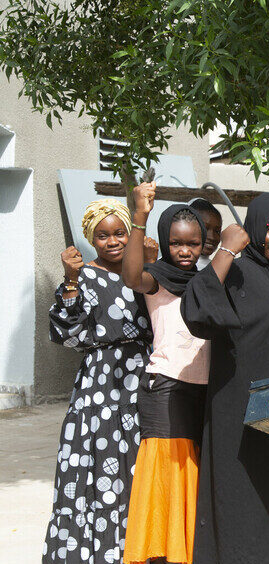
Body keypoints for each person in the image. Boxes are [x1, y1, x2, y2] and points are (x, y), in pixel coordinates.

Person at [181, 193, 269, 564]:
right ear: (254, 227)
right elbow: (196, 310)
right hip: (237, 402)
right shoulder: (234, 269)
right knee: (240, 494)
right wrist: (225, 250)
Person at [44, 199, 154, 563]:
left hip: (142, 382)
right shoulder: (85, 276)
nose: (112, 242)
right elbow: (67, 334)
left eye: (119, 233)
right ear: (91, 239)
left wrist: (154, 264)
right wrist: (71, 279)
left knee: (138, 468)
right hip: (102, 389)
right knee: (100, 466)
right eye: (102, 236)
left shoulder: (142, 273)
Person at [120, 183, 211, 564]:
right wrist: (139, 216)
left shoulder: (209, 280)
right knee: (164, 476)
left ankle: (185, 552)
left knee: (191, 475)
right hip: (166, 387)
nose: (185, 251)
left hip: (204, 389)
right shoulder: (156, 277)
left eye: (193, 244)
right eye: (176, 243)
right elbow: (129, 276)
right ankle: (159, 555)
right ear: (165, 242)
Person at [189, 197, 223, 270]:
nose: (212, 237)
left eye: (217, 231)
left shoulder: (220, 270)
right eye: (204, 229)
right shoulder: (169, 266)